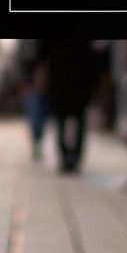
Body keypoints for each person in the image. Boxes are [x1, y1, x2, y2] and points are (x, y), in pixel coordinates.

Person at [38, 39, 109, 173]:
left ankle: (66, 158)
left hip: (67, 80)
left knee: (63, 120)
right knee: (76, 121)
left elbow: (43, 54)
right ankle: (73, 158)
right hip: (78, 80)